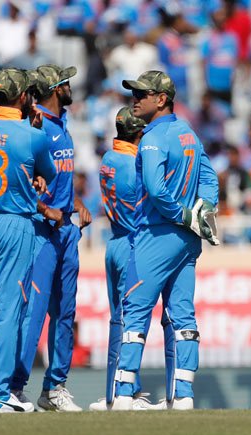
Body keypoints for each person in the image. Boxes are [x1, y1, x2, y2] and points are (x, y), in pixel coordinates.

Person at [115, 70, 219, 411]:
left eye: (142, 94)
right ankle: (185, 395)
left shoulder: (152, 138)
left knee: (135, 311)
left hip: (157, 233)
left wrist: (183, 215)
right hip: (186, 239)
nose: (135, 100)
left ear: (161, 99)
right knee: (182, 315)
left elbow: (156, 188)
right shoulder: (188, 133)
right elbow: (209, 179)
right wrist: (203, 212)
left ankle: (124, 393)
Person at [0, 68, 56, 413]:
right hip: (13, 224)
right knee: (8, 310)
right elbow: (48, 173)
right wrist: (34, 130)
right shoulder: (31, 135)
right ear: (22, 97)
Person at [11, 64, 92, 412]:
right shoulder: (36, 126)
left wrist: (75, 203)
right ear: (57, 89)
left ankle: (54, 388)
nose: (71, 87)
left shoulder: (61, 124)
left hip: (66, 231)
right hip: (41, 231)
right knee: (34, 312)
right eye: (67, 82)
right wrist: (47, 211)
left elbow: (58, 177)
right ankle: (14, 388)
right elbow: (20, 182)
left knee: (65, 312)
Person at [88, 107, 163, 411]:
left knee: (118, 321)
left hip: (114, 240)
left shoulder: (108, 158)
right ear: (139, 132)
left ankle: (114, 392)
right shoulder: (135, 164)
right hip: (134, 243)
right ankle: (126, 393)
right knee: (132, 322)